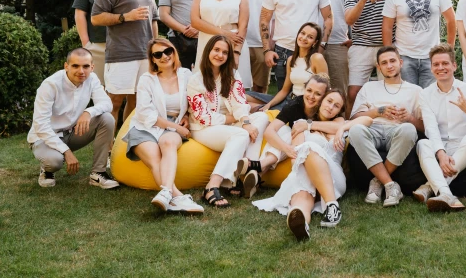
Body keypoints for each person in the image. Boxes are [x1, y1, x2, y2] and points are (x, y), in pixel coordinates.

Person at [254, 89, 372, 241]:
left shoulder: (338, 124)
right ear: (322, 100)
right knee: (302, 194)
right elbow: (296, 157)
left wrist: (333, 128)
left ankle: (332, 205)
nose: (331, 107)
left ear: (339, 111)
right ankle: (301, 221)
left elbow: (368, 121)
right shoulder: (299, 124)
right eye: (329, 101)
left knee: (309, 146)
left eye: (336, 106)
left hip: (334, 178)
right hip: (307, 173)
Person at [187, 35, 270, 207]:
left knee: (261, 117)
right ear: (208, 51)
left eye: (225, 52)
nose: (220, 55)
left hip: (229, 125)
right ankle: (212, 186)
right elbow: (203, 116)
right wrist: (236, 120)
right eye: (216, 50)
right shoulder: (196, 79)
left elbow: (240, 102)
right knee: (241, 134)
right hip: (203, 128)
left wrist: (245, 121)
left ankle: (246, 172)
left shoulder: (232, 75)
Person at [122, 38, 203, 214]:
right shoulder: (147, 79)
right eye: (158, 54)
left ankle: (166, 193)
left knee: (168, 143)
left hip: (173, 125)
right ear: (152, 59)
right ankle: (177, 197)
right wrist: (178, 128)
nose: (164, 56)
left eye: (168, 51)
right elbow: (144, 113)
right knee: (154, 158)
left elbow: (193, 99)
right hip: (145, 126)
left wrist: (187, 117)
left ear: (174, 52)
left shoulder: (186, 75)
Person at [414, 44, 466, 212]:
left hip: (465, 147)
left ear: (454, 66)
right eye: (436, 64)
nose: (440, 68)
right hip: (439, 146)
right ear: (431, 67)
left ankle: (429, 187)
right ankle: (446, 194)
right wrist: (441, 154)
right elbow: (431, 128)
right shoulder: (425, 94)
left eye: (445, 63)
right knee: (422, 144)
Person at [28, 48, 118, 189]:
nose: (81, 71)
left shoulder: (92, 78)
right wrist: (67, 152)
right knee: (55, 161)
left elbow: (107, 104)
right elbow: (41, 126)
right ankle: (47, 169)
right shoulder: (50, 85)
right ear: (66, 66)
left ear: (92, 67)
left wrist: (88, 112)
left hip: (72, 132)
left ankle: (98, 173)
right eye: (75, 66)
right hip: (44, 137)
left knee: (107, 119)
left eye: (86, 66)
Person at [91, 0, 159, 127]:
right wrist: (125, 17)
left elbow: (154, 20)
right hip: (121, 55)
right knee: (113, 102)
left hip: (145, 55)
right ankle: (107, 148)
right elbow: (96, 18)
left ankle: (128, 142)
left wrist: (155, 48)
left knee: (138, 102)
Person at [348, 46, 424, 207]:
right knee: (355, 130)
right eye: (384, 63)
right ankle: (390, 185)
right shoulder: (369, 87)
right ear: (379, 67)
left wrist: (409, 118)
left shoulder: (416, 91)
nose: (389, 66)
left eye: (392, 61)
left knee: (409, 129)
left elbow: (426, 128)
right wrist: (376, 112)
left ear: (400, 63)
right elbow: (354, 118)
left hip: (397, 132)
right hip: (372, 130)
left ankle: (377, 182)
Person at [260, 0, 332, 89]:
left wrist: (322, 45)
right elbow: (264, 20)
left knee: (312, 94)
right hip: (283, 51)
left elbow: (328, 18)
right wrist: (267, 50)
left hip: (311, 50)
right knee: (283, 94)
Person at [343, 0, 402, 116]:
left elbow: (402, 6)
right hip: (362, 45)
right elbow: (349, 19)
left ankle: (388, 128)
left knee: (390, 91)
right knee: (353, 93)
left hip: (388, 45)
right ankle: (349, 131)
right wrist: (363, 0)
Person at [382, 0, 455, 89]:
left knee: (431, 98)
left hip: (432, 57)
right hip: (405, 57)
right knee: (408, 99)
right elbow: (387, 27)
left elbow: (451, 20)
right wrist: (391, 56)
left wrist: (449, 49)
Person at [255, 75, 331, 180]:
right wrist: (286, 148)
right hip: (292, 142)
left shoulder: (327, 109)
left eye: (318, 94)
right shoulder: (294, 105)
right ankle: (258, 173)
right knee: (286, 130)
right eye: (309, 90)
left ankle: (258, 168)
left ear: (325, 96)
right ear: (304, 89)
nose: (311, 96)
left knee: (294, 131)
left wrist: (307, 124)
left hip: (312, 145)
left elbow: (339, 125)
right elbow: (269, 132)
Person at [247, 22, 328, 111]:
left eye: (310, 37)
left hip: (301, 105)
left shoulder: (316, 58)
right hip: (289, 99)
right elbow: (284, 90)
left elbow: (326, 88)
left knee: (253, 109)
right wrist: (269, 105)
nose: (304, 38)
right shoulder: (291, 60)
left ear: (315, 42)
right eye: (303, 33)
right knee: (244, 98)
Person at [308, 0, 352, 95]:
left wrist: (355, 38)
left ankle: (342, 120)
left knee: (340, 90)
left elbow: (354, 12)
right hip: (310, 44)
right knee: (311, 90)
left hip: (338, 44)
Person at [234, 0, 276, 93]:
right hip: (238, 41)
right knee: (235, 85)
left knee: (260, 87)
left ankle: (258, 115)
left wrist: (270, 44)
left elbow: (275, 19)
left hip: (261, 43)